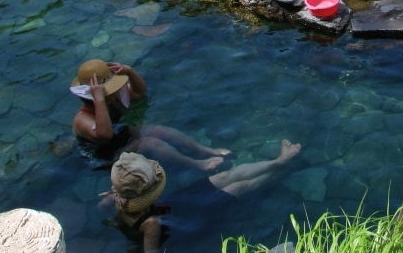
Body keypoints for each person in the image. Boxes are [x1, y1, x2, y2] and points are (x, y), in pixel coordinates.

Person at [99, 140, 302, 252]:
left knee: (224, 176)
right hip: (188, 219)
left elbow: (102, 209)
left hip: (173, 204)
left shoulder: (115, 194)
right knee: (238, 188)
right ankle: (282, 170)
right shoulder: (150, 225)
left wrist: (116, 218)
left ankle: (279, 162)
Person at [70, 58, 231, 171]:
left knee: (156, 130)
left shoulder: (111, 99)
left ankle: (203, 149)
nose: (115, 93)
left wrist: (129, 71)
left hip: (119, 135)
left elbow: (139, 93)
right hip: (105, 157)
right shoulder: (82, 119)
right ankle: (196, 164)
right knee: (149, 143)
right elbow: (105, 135)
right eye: (110, 92)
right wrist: (99, 99)